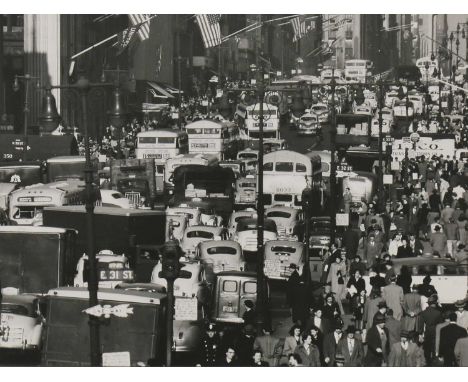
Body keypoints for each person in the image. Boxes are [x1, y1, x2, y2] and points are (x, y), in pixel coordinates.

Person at [419, 294, 443, 366]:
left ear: (428, 304)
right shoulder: (438, 313)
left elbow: (421, 325)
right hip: (435, 332)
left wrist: (420, 334)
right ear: (435, 304)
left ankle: (428, 362)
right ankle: (433, 362)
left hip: (427, 332)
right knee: (434, 347)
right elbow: (440, 325)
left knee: (427, 348)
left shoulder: (423, 313)